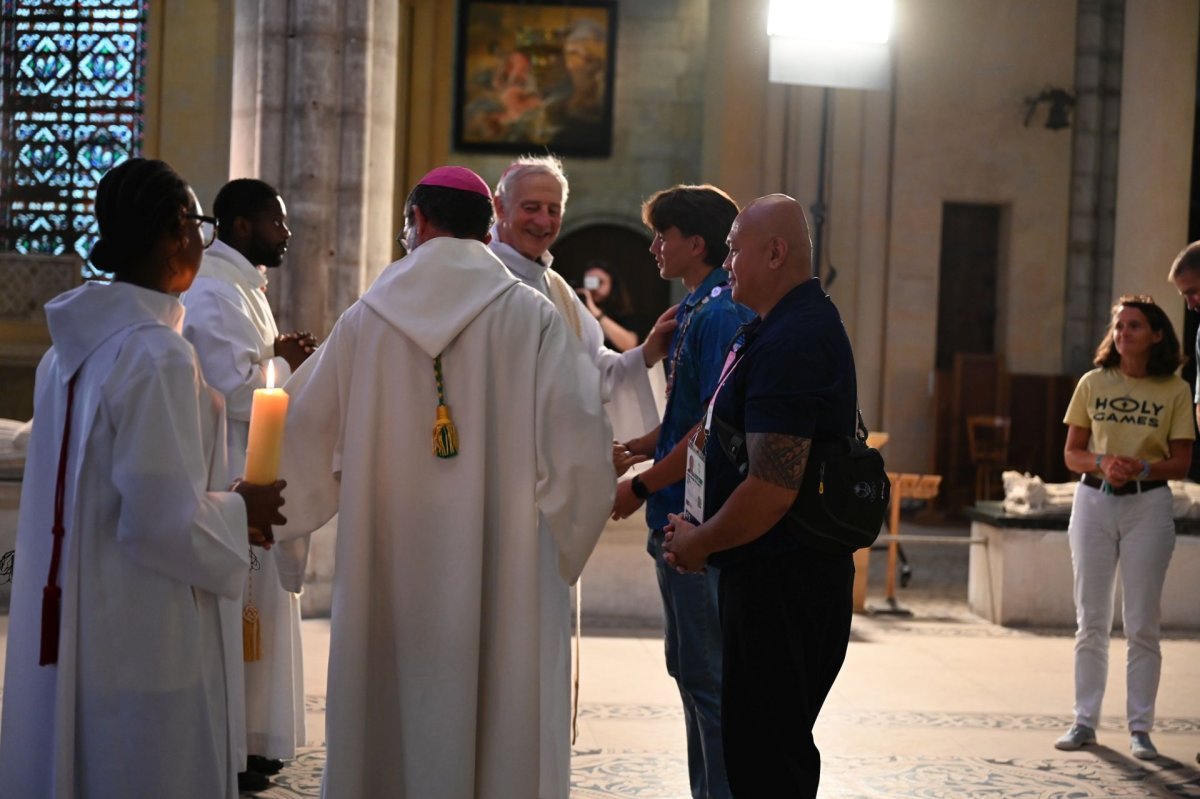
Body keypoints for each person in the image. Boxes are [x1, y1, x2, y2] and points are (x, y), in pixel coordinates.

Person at [270, 166, 615, 798]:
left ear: (420, 223)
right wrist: (575, 517)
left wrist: (268, 509)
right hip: (498, 555)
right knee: (493, 689)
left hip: (388, 553)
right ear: (489, 228)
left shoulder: (365, 318)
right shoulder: (529, 316)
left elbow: (301, 429)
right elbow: (580, 437)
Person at [0, 158, 286, 798]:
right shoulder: (155, 354)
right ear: (171, 234)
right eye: (196, 223)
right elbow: (161, 523)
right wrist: (244, 509)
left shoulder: (65, 353)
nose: (202, 242)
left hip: (77, 610)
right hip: (141, 618)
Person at [662, 194, 858, 798]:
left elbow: (773, 486)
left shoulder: (794, 339)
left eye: (733, 248)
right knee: (755, 751)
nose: (726, 262)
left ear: (774, 252)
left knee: (768, 764)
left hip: (783, 582)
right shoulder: (776, 328)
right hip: (768, 573)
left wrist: (702, 541)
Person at [610, 184, 752, 799]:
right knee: (691, 671)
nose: (653, 247)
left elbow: (714, 424)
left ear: (697, 244)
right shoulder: (696, 307)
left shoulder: (720, 311)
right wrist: (642, 446)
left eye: (662, 236)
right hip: (678, 510)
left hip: (698, 517)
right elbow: (684, 414)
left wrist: (641, 485)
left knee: (709, 681)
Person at [181, 178, 314, 790]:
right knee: (246, 612)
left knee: (260, 613)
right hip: (232, 469)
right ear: (241, 226)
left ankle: (256, 741)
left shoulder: (239, 286)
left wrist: (280, 353)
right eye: (276, 222)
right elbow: (235, 388)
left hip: (255, 466)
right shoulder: (212, 292)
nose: (285, 233)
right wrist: (281, 357)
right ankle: (238, 744)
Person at [1053, 295, 1193, 760]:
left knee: (1142, 622)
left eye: (1134, 326)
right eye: (1118, 326)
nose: (1124, 333)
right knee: (1090, 619)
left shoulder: (1173, 389)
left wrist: (1140, 468)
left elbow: (1181, 460)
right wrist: (1103, 462)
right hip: (1093, 502)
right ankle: (1084, 721)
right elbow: (1071, 453)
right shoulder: (1093, 382)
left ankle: (1140, 728)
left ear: (1156, 334)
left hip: (1148, 507)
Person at [489, 154, 675, 443]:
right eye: (531, 207)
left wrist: (647, 353)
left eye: (553, 210)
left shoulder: (557, 288)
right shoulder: (482, 278)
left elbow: (593, 368)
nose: (543, 221)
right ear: (500, 207)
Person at [578, 261, 639, 352]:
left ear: (612, 284)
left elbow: (630, 344)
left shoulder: (625, 313)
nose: (594, 287)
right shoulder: (579, 310)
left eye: (600, 282)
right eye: (589, 282)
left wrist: (595, 311)